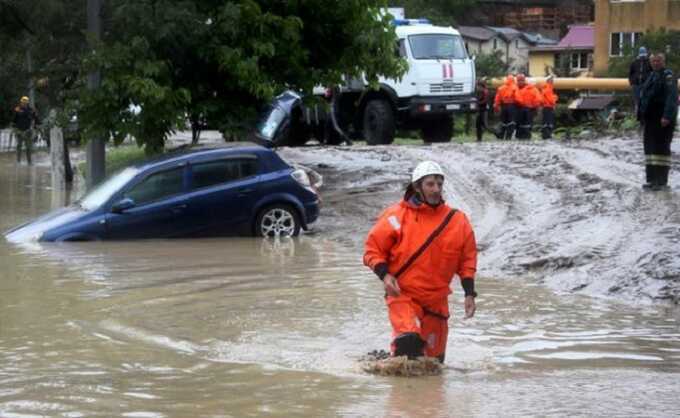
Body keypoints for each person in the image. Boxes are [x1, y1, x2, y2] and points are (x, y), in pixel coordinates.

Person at [363, 161, 478, 363]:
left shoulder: (458, 221)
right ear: (417, 187)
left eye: (439, 184)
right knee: (409, 344)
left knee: (434, 364)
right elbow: (372, 251)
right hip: (403, 296)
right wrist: (385, 274)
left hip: (437, 302)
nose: (436, 189)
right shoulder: (395, 216)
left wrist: (469, 293)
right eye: (430, 184)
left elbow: (467, 259)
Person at [638, 53, 678, 191]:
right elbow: (644, 97)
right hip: (651, 118)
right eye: (653, 61)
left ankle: (661, 181)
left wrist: (667, 116)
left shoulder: (668, 76)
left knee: (660, 149)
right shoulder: (652, 76)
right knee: (649, 149)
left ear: (663, 61)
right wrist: (641, 116)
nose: (655, 63)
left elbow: (672, 98)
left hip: (662, 118)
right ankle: (651, 179)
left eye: (658, 60)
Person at [513, 74, 542, 140]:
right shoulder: (517, 88)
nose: (520, 82)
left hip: (524, 108)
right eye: (519, 80)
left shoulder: (518, 88)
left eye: (521, 80)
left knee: (524, 123)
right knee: (524, 123)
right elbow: (538, 99)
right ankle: (524, 135)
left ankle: (523, 135)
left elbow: (538, 100)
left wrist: (533, 106)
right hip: (525, 108)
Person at [12, 96, 38, 164]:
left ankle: (29, 162)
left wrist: (36, 127)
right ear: (21, 102)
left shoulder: (31, 110)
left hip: (28, 130)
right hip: (19, 130)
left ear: (27, 103)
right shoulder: (17, 109)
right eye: (23, 102)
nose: (24, 104)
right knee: (18, 146)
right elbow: (14, 120)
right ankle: (18, 161)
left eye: (25, 103)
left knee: (28, 147)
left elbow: (35, 119)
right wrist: (14, 129)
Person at [493, 74, 518, 140]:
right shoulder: (515, 87)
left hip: (503, 106)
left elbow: (497, 99)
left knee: (503, 121)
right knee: (511, 122)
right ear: (513, 80)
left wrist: (496, 106)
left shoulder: (501, 88)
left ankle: (501, 135)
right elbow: (518, 98)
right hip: (512, 106)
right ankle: (508, 136)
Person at [629, 47, 652, 114]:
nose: (643, 57)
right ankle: (638, 114)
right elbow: (630, 73)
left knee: (646, 99)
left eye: (644, 56)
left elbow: (652, 72)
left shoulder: (649, 62)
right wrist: (632, 82)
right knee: (637, 100)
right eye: (642, 56)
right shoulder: (634, 63)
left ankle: (646, 113)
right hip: (636, 85)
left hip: (646, 84)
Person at [540, 75, 559, 140]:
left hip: (546, 107)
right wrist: (555, 98)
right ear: (548, 81)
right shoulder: (548, 89)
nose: (552, 81)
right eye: (551, 80)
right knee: (548, 122)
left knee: (546, 122)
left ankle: (546, 135)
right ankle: (547, 135)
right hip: (548, 107)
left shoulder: (546, 88)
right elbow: (550, 99)